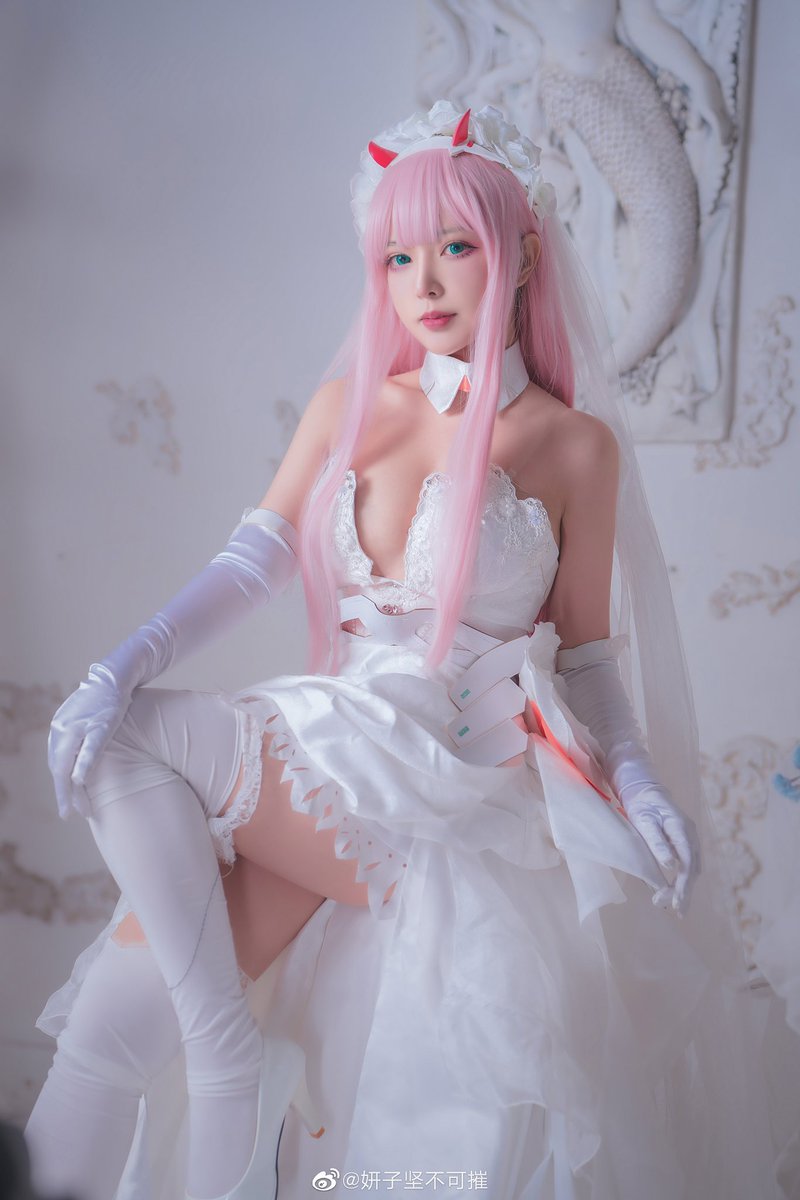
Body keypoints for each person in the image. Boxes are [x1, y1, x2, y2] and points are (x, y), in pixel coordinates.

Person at [23, 101, 784, 1200]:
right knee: (109, 1026)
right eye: (397, 256)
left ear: (523, 257)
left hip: (449, 779)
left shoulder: (574, 446)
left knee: (139, 742)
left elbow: (584, 660)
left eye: (455, 248)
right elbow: (254, 556)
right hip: (334, 742)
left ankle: (225, 1054)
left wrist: (640, 781)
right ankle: (209, 1055)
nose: (423, 283)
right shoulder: (352, 406)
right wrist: (120, 663)